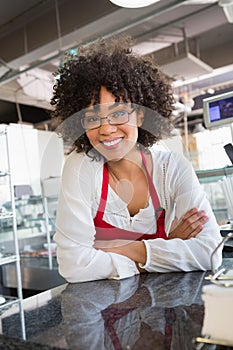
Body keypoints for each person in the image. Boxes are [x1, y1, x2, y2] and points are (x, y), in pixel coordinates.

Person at [51, 36, 222, 283]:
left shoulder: (172, 168)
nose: (106, 129)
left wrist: (112, 250)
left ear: (140, 115)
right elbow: (73, 266)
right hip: (102, 317)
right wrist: (167, 246)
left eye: (119, 113)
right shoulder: (80, 166)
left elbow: (210, 253)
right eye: (92, 118)